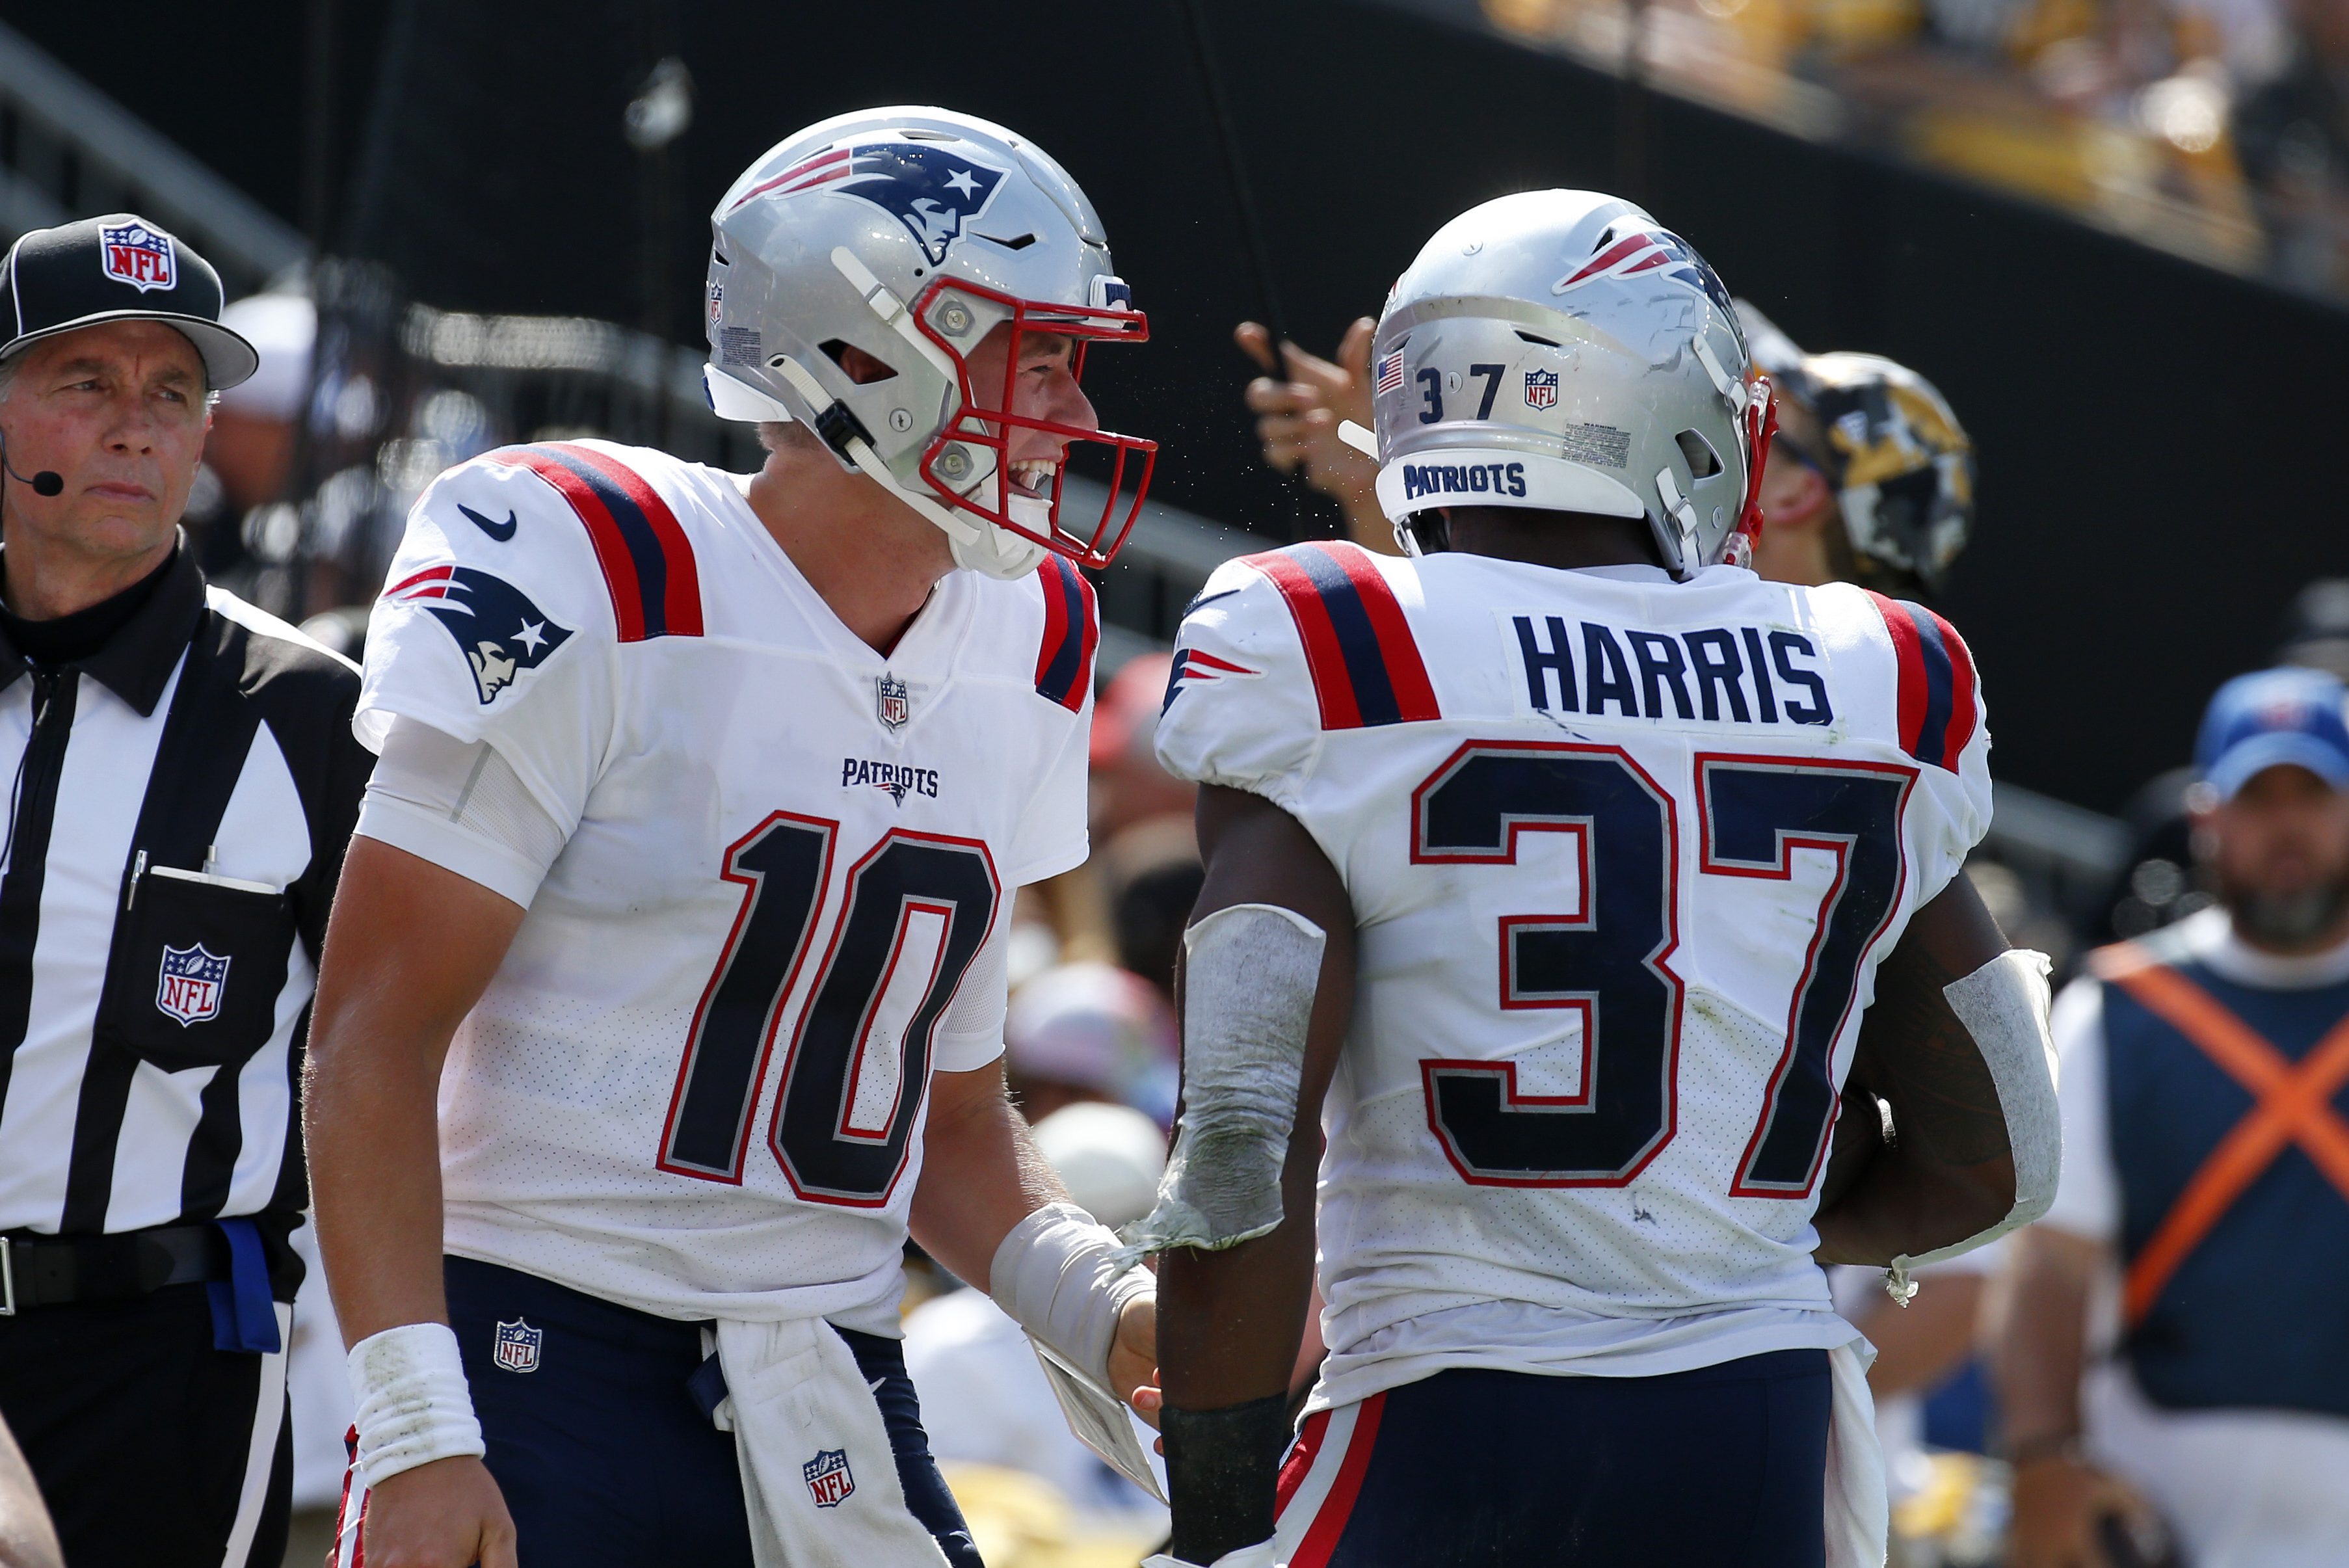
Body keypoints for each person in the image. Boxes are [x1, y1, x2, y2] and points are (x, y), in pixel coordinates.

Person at [1137, 191, 2061, 1568]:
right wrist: (1736, 1221)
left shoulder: (1336, 640)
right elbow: (2004, 1149)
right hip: (1754, 1432)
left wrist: (1212, 1500)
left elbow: (1237, 1152)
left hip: (1452, 1417)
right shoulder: (1880, 671)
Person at [305, 108, 1163, 1568]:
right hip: (539, 1349)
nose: (1076, 415)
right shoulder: (599, 563)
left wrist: (1117, 1306)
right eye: (1040, 355)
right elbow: (371, 1038)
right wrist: (415, 1421)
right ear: (873, 349)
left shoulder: (1032, 637)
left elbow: (945, 1122)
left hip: (829, 1367)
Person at [0, 214, 371, 1568]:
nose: (134, 427)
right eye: (84, 381)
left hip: (161, 1363)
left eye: (172, 393)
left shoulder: (310, 716)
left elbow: (409, 1053)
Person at [1997, 665, 2349, 1568]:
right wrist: (2042, 1460)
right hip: (2155, 1492)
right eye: (2257, 797)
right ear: (2205, 816)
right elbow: (2050, 1264)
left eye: (2312, 794)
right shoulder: (2118, 1007)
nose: (2287, 826)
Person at [905, 1101, 1171, 1523]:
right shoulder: (947, 1346)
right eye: (1100, 1226)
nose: (1122, 1250)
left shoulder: (1166, 1337)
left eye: (1137, 1225)